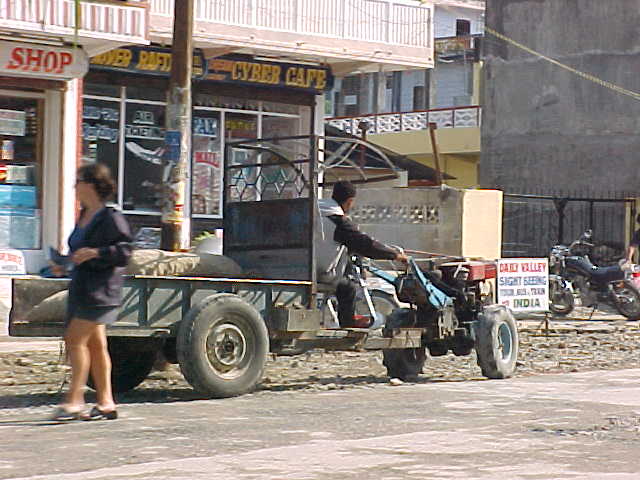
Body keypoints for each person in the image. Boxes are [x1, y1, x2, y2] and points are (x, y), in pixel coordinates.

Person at [51, 164, 132, 421]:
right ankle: (106, 402)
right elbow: (80, 252)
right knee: (96, 346)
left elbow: (125, 252)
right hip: (82, 287)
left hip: (101, 291)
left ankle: (75, 400)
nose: (74, 186)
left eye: (78, 181)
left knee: (74, 340)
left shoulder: (110, 217)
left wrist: (97, 253)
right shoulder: (85, 214)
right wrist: (64, 264)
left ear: (92, 185)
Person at [317, 181, 407, 327]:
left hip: (299, 267)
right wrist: (395, 255)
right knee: (349, 287)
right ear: (350, 201)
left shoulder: (314, 212)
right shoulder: (338, 222)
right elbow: (366, 245)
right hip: (319, 272)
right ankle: (348, 327)